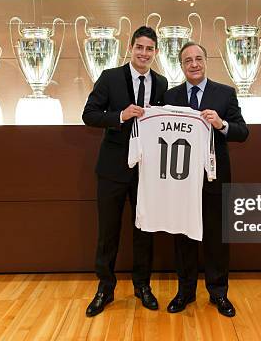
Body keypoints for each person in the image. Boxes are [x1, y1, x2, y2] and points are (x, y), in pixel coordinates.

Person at [82, 26, 168, 317]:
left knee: (144, 230)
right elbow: (89, 115)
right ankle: (105, 289)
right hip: (112, 169)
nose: (144, 53)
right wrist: (120, 115)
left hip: (147, 170)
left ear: (155, 52)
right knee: (108, 231)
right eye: (140, 47)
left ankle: (142, 286)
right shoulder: (109, 77)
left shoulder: (161, 82)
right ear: (131, 48)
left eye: (150, 49)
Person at [164, 41, 248, 317]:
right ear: (182, 65)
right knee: (183, 236)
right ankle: (185, 292)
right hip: (180, 179)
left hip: (215, 177)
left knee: (216, 238)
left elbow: (242, 132)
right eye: (188, 60)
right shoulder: (170, 95)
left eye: (198, 58)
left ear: (206, 60)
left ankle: (218, 293)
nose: (194, 64)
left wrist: (221, 124)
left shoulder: (225, 93)